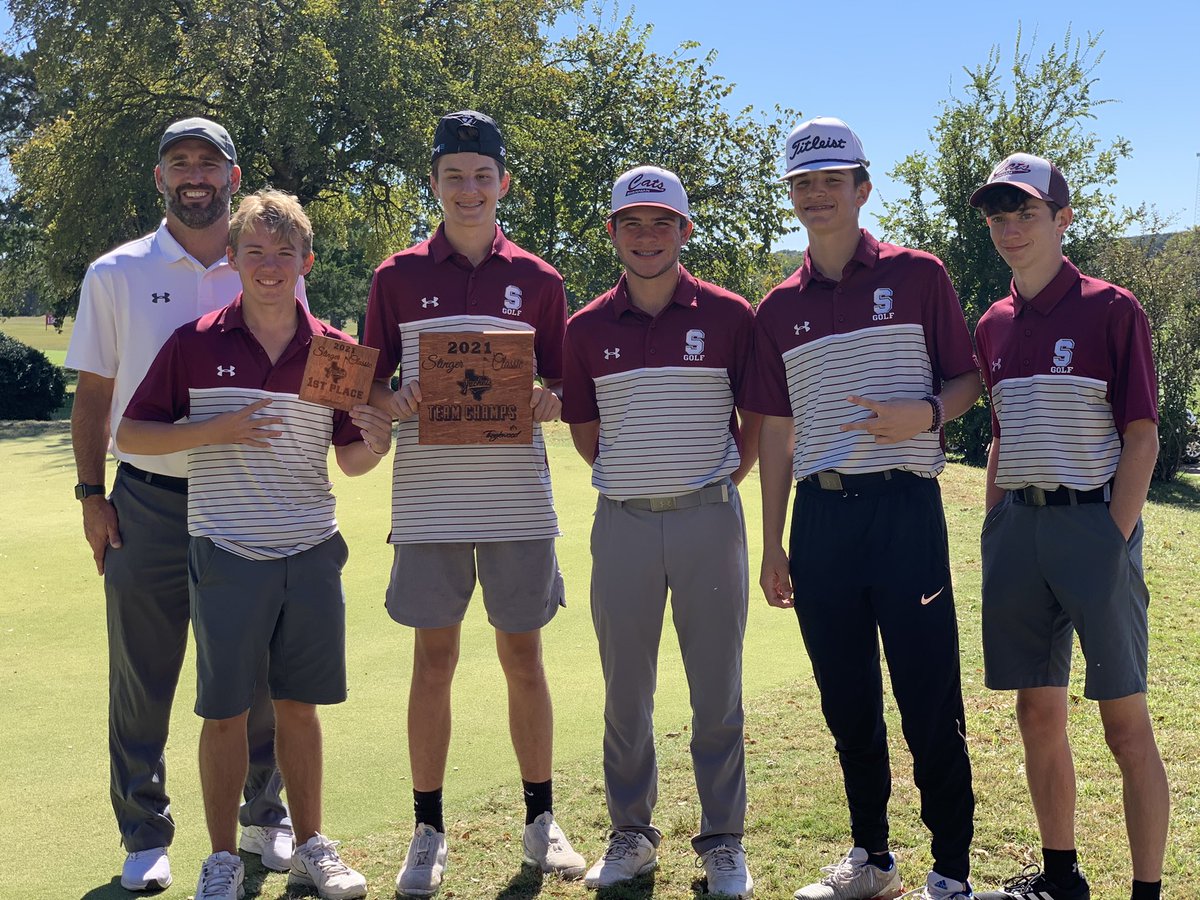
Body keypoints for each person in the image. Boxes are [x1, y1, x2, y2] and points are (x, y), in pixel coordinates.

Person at [117, 190, 385, 900]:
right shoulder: (195, 341)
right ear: (231, 259)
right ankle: (222, 859)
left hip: (311, 548)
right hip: (226, 550)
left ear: (307, 262)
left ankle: (313, 845)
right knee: (226, 710)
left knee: (301, 706)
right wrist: (216, 430)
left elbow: (351, 461)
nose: (270, 267)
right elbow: (132, 436)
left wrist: (378, 439)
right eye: (256, 253)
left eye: (285, 253)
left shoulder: (336, 352)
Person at [744, 117, 981, 900]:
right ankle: (872, 859)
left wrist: (927, 414)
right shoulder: (775, 309)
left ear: (862, 188)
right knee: (848, 702)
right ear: (792, 196)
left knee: (926, 697)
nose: (817, 195)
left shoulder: (919, 275)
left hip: (904, 512)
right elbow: (775, 433)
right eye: (803, 184)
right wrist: (774, 542)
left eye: (831, 181)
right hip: (823, 520)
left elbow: (967, 379)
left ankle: (950, 871)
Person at [65, 117, 295, 891]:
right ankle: (144, 829)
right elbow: (94, 399)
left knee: (258, 668)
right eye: (178, 163)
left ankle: (268, 818)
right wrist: (92, 495)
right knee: (143, 670)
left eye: (209, 162)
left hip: (248, 498)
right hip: (149, 503)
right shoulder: (116, 272)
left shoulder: (265, 263)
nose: (194, 174)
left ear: (233, 176)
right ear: (159, 178)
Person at [362, 110, 584, 897]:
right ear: (433, 182)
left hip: (519, 505)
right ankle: (427, 829)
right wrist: (396, 397)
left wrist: (553, 401)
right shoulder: (394, 277)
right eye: (453, 175)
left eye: (481, 175)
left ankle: (540, 819)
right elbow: (366, 387)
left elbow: (564, 381)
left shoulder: (543, 281)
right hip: (427, 506)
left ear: (503, 183)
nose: (467, 189)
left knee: (524, 659)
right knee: (434, 661)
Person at [968, 154, 1169, 900]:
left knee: (1125, 726)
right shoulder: (993, 322)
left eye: (1026, 212)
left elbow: (1142, 436)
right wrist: (994, 524)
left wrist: (1112, 537)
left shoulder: (1112, 308)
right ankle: (1060, 878)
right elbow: (998, 434)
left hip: (1093, 526)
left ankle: (1146, 889)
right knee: (1036, 713)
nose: (1010, 228)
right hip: (1019, 531)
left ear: (1063, 219)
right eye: (998, 215)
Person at [561, 166, 759, 897]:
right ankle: (632, 833)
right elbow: (587, 432)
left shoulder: (732, 316)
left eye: (661, 223)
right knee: (625, 693)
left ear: (685, 231)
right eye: (632, 224)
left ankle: (723, 840)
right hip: (623, 526)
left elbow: (757, 421)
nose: (647, 237)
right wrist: (640, 484)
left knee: (717, 693)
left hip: (710, 518)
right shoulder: (585, 327)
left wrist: (710, 486)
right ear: (613, 232)